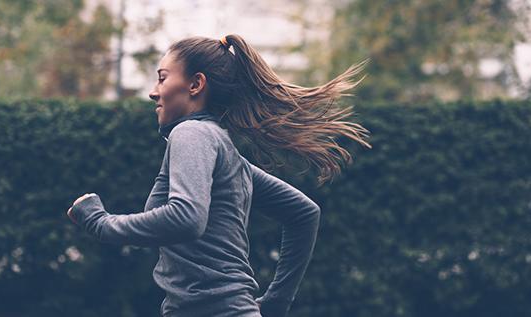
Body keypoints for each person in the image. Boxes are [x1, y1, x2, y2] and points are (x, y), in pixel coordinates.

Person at [67, 34, 372, 317]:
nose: (153, 92)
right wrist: (277, 301)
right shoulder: (224, 153)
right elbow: (304, 213)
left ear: (196, 84)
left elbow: (186, 217)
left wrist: (101, 223)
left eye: (162, 78)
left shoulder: (191, 133)